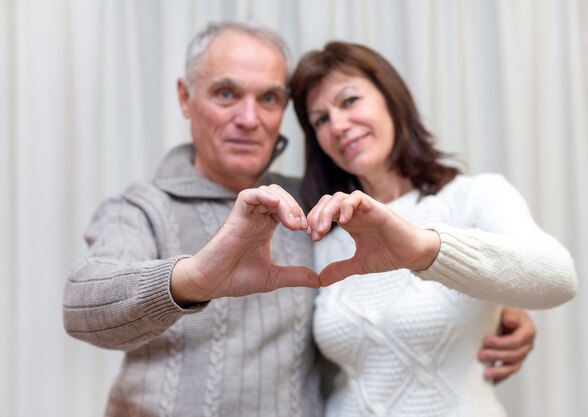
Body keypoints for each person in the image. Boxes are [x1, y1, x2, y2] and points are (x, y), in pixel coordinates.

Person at [63, 22, 536, 417]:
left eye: (268, 99)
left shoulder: (315, 205)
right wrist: (196, 278)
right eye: (226, 93)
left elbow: (375, 300)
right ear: (186, 98)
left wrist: (496, 306)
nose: (249, 118)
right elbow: (82, 307)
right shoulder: (141, 208)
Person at [289, 41, 578, 417]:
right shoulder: (323, 232)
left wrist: (426, 251)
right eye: (320, 119)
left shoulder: (474, 197)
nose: (339, 125)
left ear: (391, 99)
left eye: (349, 101)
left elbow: (559, 278)